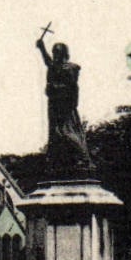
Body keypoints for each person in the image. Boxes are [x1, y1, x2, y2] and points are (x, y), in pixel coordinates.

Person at [36, 31, 95, 175]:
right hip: (55, 106)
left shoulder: (70, 68)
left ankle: (84, 158)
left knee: (66, 132)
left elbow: (72, 87)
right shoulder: (56, 66)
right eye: (54, 53)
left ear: (64, 54)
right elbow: (48, 62)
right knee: (57, 134)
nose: (55, 55)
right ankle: (66, 162)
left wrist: (54, 87)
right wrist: (42, 48)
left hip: (65, 106)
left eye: (57, 53)